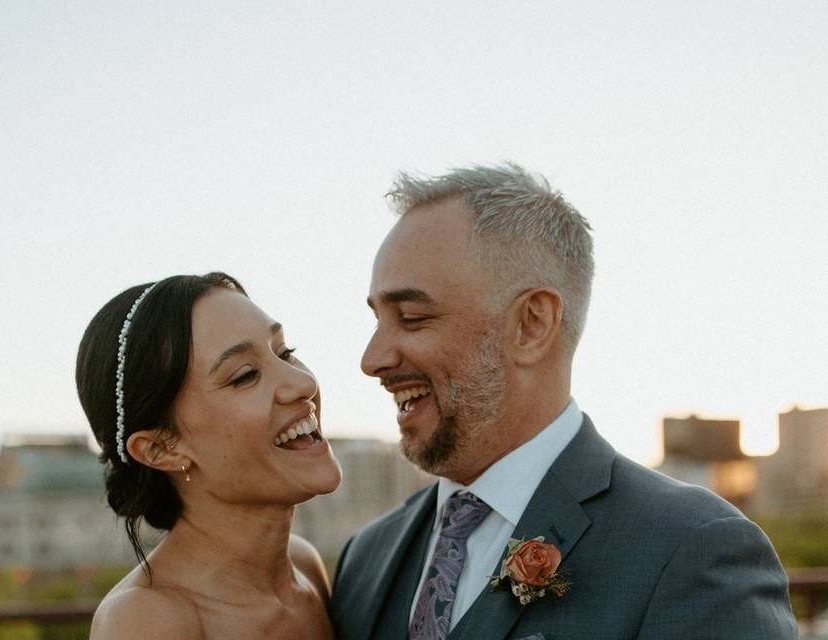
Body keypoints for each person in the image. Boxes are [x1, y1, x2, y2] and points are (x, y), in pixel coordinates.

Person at [329, 164, 797, 639]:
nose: (373, 359)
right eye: (377, 319)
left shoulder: (690, 548)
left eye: (411, 317)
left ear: (532, 324)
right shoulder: (365, 557)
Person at [76, 272, 342, 639]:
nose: (304, 384)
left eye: (285, 353)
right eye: (246, 375)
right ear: (161, 448)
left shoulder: (305, 567)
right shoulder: (144, 621)